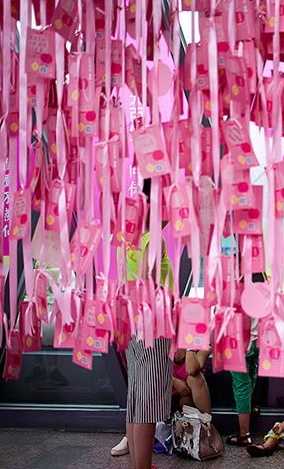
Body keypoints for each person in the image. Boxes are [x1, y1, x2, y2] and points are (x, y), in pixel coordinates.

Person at [121, 179, 175, 469]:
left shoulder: (133, 234)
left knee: (136, 395)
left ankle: (139, 465)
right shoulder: (151, 237)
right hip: (153, 323)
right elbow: (149, 281)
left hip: (135, 320)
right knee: (148, 400)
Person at [112, 347, 212, 457]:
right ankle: (130, 438)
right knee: (149, 382)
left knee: (195, 378)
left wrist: (189, 347)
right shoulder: (164, 345)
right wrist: (174, 381)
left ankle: (206, 429)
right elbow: (151, 369)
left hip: (185, 402)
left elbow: (192, 369)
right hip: (163, 399)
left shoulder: (202, 346)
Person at [225, 314, 260, 446]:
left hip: (238, 343)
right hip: (256, 340)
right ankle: (248, 408)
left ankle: (244, 435)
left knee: (241, 386)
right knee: (251, 374)